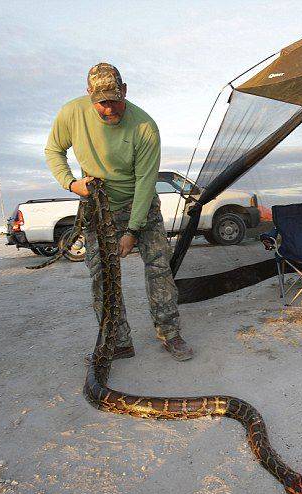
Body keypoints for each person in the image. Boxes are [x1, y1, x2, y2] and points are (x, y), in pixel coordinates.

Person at [45, 62, 193, 362]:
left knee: (158, 268)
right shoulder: (71, 114)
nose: (109, 109)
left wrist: (132, 231)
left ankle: (170, 333)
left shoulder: (145, 127)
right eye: (101, 103)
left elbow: (145, 182)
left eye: (115, 100)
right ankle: (118, 341)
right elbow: (53, 150)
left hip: (141, 206)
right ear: (89, 95)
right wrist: (71, 183)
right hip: (97, 209)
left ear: (124, 91)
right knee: (102, 276)